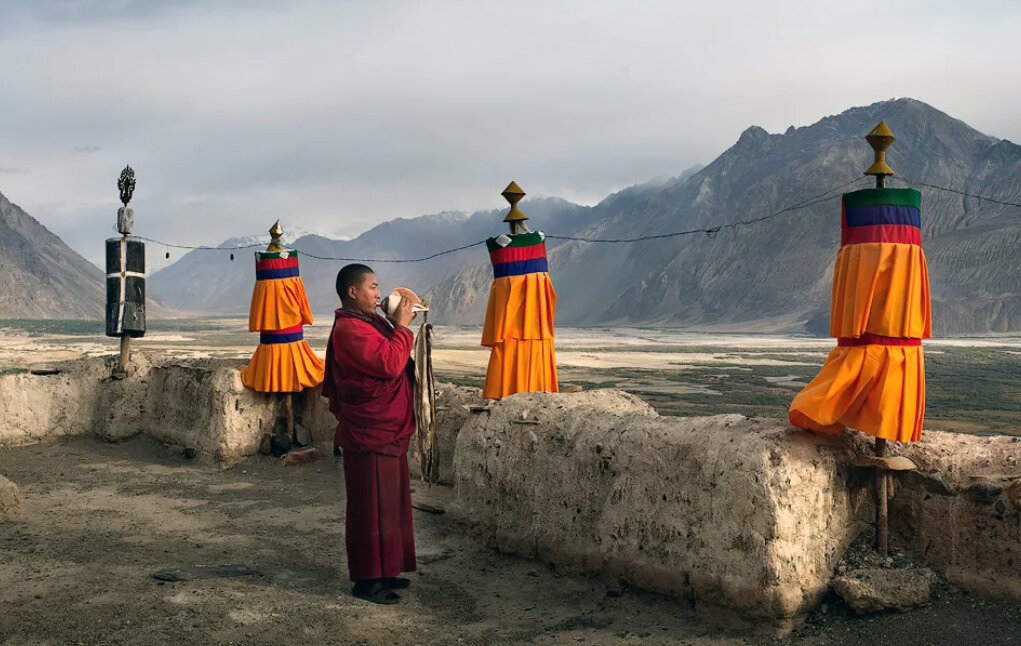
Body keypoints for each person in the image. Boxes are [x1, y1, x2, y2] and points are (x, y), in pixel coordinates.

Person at [321, 263, 417, 604]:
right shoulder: (350, 330)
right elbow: (390, 363)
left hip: (384, 428)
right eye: (373, 287)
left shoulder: (369, 322)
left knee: (390, 504)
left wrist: (397, 325)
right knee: (369, 507)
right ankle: (366, 580)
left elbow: (390, 351)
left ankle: (387, 569)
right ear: (353, 292)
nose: (379, 294)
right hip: (369, 430)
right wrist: (403, 328)